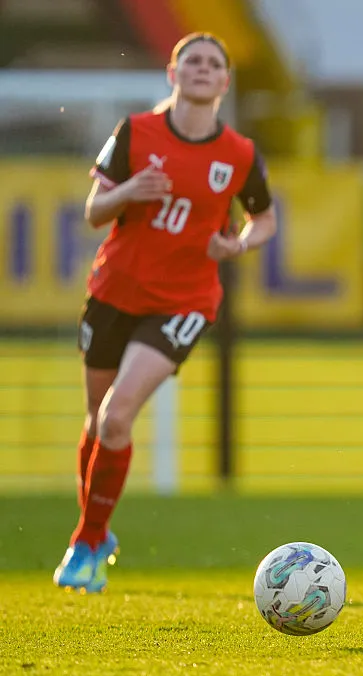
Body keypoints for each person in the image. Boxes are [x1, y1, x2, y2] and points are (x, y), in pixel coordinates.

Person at [54, 32, 277, 594]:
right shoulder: (135, 133)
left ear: (225, 82)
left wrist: (241, 245)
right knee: (95, 424)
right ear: (173, 74)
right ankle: (97, 531)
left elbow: (265, 219)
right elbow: (93, 212)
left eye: (213, 64)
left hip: (184, 301)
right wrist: (128, 189)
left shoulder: (240, 154)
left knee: (117, 417)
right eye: (191, 61)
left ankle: (84, 546)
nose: (202, 70)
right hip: (114, 293)